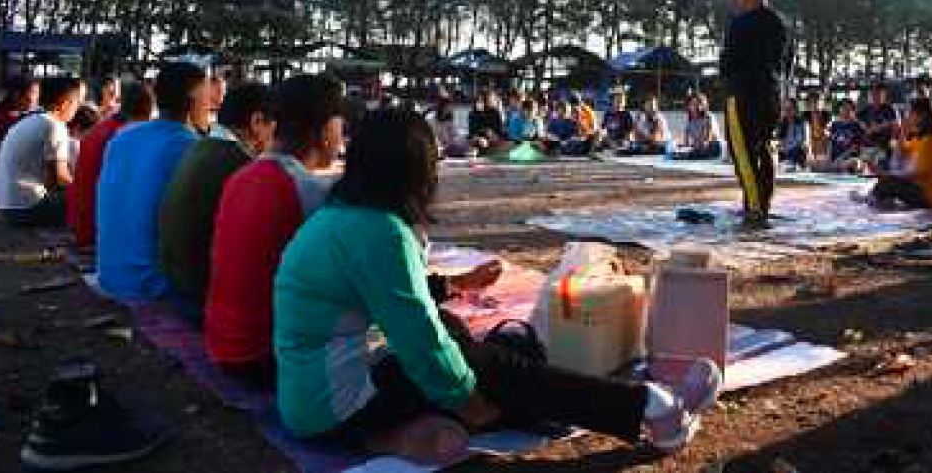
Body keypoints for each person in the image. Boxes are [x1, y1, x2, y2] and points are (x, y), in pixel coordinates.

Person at [273, 109, 722, 464]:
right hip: (334, 404)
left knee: (460, 340)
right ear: (412, 174)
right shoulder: (379, 232)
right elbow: (419, 339)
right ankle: (652, 408)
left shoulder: (343, 217)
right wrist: (466, 398)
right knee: (487, 368)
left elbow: (401, 307)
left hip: (312, 394)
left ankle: (407, 432)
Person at [204, 74, 344, 386]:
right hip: (263, 358)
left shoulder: (241, 176)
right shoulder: (307, 191)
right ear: (326, 131)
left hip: (223, 344)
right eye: (340, 123)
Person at [96, 62, 211, 302]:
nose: (210, 105)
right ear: (192, 100)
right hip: (152, 286)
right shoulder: (189, 147)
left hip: (109, 274)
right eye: (207, 97)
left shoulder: (123, 136)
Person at [159, 83, 277, 313]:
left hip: (174, 286)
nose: (274, 137)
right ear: (256, 122)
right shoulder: (240, 166)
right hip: (200, 298)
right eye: (274, 128)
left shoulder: (198, 147)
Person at [719, 0, 791, 227]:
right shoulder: (780, 23)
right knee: (765, 148)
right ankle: (763, 201)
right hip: (771, 93)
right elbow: (784, 63)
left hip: (743, 94)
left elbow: (727, 62)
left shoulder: (740, 23)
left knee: (744, 153)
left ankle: (754, 207)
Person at [67, 82, 154, 253]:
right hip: (96, 233)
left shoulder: (103, 126)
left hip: (78, 222)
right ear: (149, 109)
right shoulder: (128, 135)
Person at [0, 77, 83, 226]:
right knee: (93, 201)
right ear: (65, 104)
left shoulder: (31, 118)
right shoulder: (54, 125)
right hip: (28, 208)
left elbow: (50, 178)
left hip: (6, 206)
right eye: (76, 104)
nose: (77, 109)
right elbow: (60, 178)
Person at [870, 97, 932, 210]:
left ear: (921, 116)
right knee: (886, 176)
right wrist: (903, 131)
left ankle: (872, 204)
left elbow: (915, 173)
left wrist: (886, 174)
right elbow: (899, 153)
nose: (907, 117)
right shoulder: (919, 139)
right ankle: (877, 202)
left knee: (887, 183)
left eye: (910, 113)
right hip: (923, 191)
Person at [858, 83, 901, 167]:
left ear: (883, 96)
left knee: (881, 169)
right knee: (866, 169)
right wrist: (867, 129)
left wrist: (892, 138)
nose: (875, 97)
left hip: (884, 146)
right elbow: (859, 125)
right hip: (868, 146)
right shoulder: (864, 111)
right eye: (873, 94)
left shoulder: (890, 109)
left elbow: (896, 125)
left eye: (878, 94)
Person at [676, 94, 721, 160]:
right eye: (691, 104)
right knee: (679, 154)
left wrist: (696, 146)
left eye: (696, 104)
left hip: (714, 146)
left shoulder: (708, 117)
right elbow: (686, 141)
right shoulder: (690, 121)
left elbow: (707, 139)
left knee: (694, 153)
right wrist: (682, 147)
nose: (695, 106)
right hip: (700, 147)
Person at [826, 99, 867, 171]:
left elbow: (855, 147)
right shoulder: (834, 124)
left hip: (848, 158)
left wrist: (840, 158)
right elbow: (830, 143)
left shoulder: (856, 125)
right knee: (816, 162)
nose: (846, 110)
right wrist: (828, 158)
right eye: (843, 107)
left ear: (852, 110)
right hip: (834, 159)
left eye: (849, 108)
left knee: (854, 163)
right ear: (839, 109)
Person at [67, 104, 101, 170]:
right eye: (91, 131)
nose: (92, 136)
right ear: (78, 127)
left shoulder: (62, 137)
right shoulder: (74, 144)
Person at [776, 98, 809, 168]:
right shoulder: (781, 124)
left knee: (797, 150)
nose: (787, 112)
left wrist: (803, 145)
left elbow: (803, 140)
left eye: (790, 109)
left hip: (797, 153)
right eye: (785, 109)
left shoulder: (801, 123)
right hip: (784, 154)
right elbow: (778, 141)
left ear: (795, 110)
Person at [803, 90, 831, 163]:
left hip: (822, 142)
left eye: (816, 101)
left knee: (826, 136)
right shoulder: (805, 115)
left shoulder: (826, 115)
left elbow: (827, 130)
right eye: (811, 102)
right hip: (809, 142)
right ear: (808, 104)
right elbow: (806, 131)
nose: (814, 104)